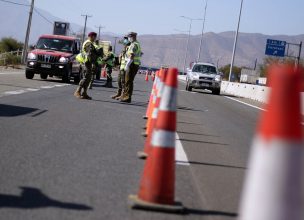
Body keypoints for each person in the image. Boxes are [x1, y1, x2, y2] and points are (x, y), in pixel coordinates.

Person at [74, 32, 99, 100]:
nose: (94, 38)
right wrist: (93, 62)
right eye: (94, 37)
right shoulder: (88, 43)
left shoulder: (91, 43)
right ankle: (78, 91)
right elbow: (90, 54)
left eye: (95, 37)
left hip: (88, 62)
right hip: (86, 62)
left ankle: (84, 93)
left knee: (88, 78)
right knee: (85, 77)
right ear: (90, 36)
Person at [120, 32, 142, 103]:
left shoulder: (133, 44)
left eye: (129, 37)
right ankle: (126, 96)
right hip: (134, 64)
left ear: (132, 37)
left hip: (132, 65)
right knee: (129, 81)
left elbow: (131, 56)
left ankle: (127, 97)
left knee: (128, 81)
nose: (128, 38)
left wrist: (127, 65)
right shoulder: (137, 44)